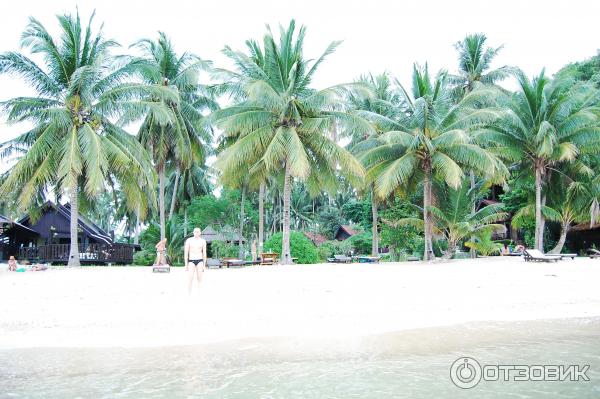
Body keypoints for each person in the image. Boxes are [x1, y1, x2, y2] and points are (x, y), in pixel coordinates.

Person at [184, 227, 207, 295]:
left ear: (200, 233)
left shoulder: (203, 241)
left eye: (198, 232)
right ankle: (189, 294)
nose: (196, 233)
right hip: (191, 260)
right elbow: (186, 252)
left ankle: (200, 294)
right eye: (195, 232)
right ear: (193, 232)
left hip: (200, 260)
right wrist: (186, 264)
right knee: (190, 278)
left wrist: (204, 265)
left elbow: (204, 253)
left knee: (199, 278)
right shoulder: (189, 240)